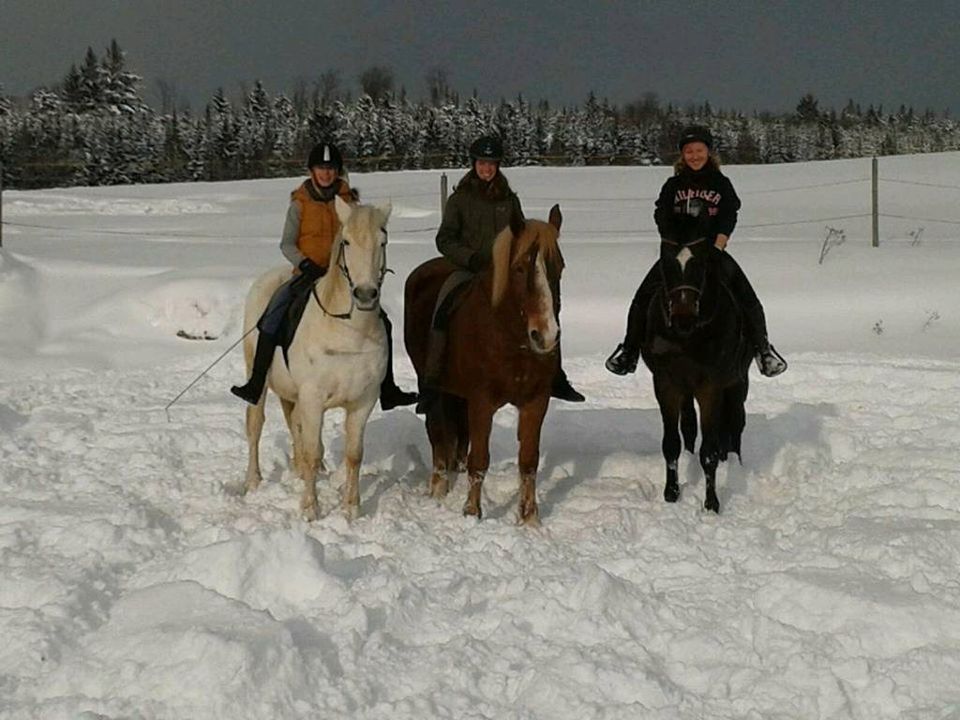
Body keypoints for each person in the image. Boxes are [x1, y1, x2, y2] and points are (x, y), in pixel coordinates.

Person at [231, 142, 418, 409]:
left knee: (383, 322)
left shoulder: (350, 203)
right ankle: (256, 382)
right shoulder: (299, 203)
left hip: (341, 277)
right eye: (321, 169)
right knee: (274, 313)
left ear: (338, 172)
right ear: (311, 171)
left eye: (331, 169)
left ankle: (388, 388)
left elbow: (362, 238)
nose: (326, 174)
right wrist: (304, 263)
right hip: (307, 273)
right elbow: (286, 243)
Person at [605, 125, 787, 377]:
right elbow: (661, 213)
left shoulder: (721, 183)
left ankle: (763, 351)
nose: (694, 156)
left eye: (699, 150)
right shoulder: (673, 184)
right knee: (643, 296)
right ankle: (629, 351)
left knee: (746, 294)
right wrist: (670, 241)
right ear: (682, 155)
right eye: (688, 151)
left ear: (709, 152)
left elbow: (729, 213)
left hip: (710, 250)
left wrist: (719, 243)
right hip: (678, 253)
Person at [422, 134, 584, 406]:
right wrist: (470, 258)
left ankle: (556, 376)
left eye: (491, 164)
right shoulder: (459, 200)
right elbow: (445, 239)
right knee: (443, 305)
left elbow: (520, 234)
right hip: (469, 268)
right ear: (474, 165)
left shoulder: (509, 199)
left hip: (506, 272)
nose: (486, 169)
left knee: (545, 307)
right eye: (482, 164)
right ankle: (432, 377)